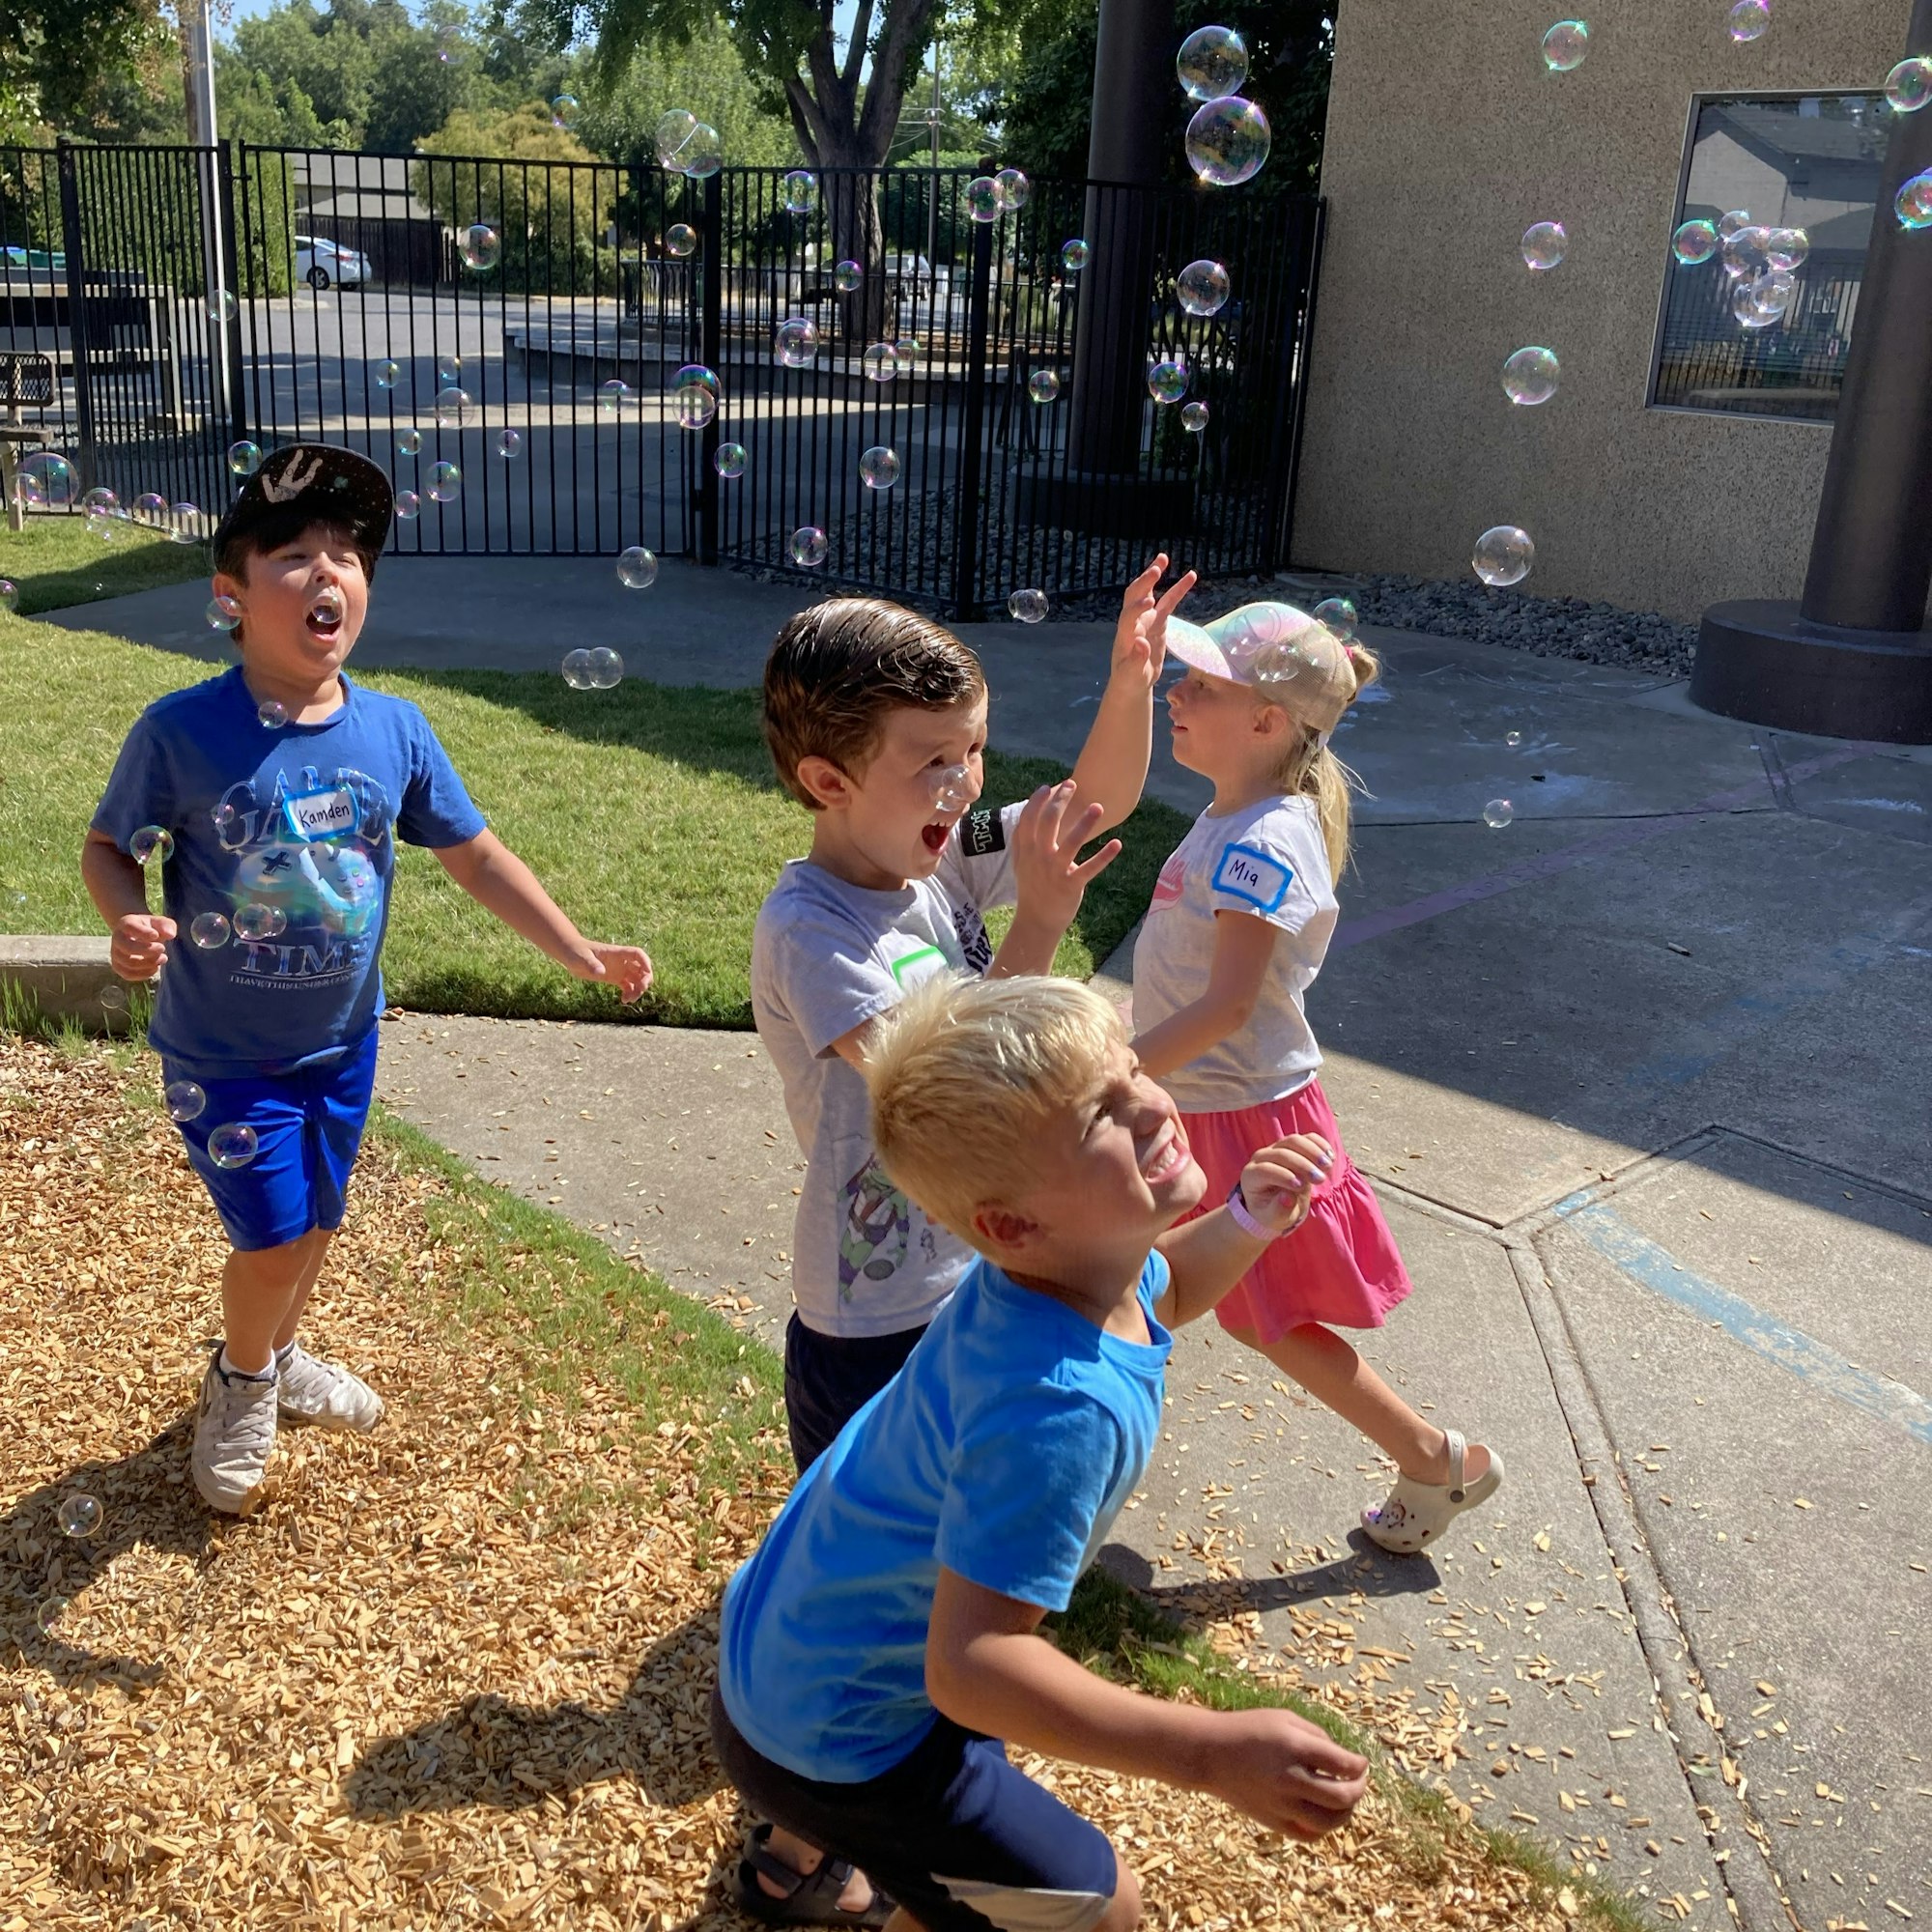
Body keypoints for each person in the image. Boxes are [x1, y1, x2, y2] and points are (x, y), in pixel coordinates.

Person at [712, 972, 1369, 1932]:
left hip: (789, 1643)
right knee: (1096, 1908)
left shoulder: (1066, 1264)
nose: (1150, 1101)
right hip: (836, 1729)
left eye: (1132, 1068)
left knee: (993, 1902)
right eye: (1102, 1113)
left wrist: (1243, 1220)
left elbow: (1163, 1289)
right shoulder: (1054, 1408)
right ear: (1010, 1222)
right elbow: (972, 1666)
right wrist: (1208, 1752)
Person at [81, 443, 652, 1517]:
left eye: (348, 555)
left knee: (319, 1223)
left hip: (342, 1041)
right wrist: (129, 920)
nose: (329, 572)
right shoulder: (180, 731)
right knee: (272, 1232)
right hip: (223, 1052)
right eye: (293, 555)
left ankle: (278, 1351)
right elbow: (111, 847)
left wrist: (578, 950)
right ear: (231, 596)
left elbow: (476, 855)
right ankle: (244, 1379)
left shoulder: (394, 729)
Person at [742, 566, 1189, 1923]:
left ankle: (917, 1764)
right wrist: (1043, 925)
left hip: (977, 1282)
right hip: (868, 1321)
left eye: (974, 753)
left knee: (956, 1564)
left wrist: (1130, 682)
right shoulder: (815, 930)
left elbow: (1087, 808)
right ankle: (803, 1838)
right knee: (868, 1580)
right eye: (931, 762)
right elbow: (942, 1099)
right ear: (827, 782)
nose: (964, 787)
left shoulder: (934, 860)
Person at [1129, 603, 1502, 1553]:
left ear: (1265, 722)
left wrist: (1110, 1073)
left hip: (1244, 1118)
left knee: (1242, 1311)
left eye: (1201, 685)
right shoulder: (1240, 814)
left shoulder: (1263, 838)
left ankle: (1432, 1453)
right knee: (1175, 1296)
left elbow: (1223, 1006)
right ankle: (1433, 1455)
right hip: (1210, 1099)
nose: (1176, 692)